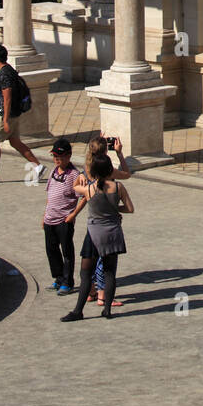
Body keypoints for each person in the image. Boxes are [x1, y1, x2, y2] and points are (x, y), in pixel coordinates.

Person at [61, 153, 134, 321]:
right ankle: (107, 309)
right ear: (110, 170)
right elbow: (130, 209)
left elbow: (74, 187)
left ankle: (78, 311)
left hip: (94, 234)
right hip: (113, 233)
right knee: (109, 273)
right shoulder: (118, 187)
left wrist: (82, 177)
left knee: (86, 273)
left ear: (94, 171)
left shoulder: (90, 189)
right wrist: (115, 210)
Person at [75, 135, 133, 308]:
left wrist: (79, 178)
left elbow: (76, 188)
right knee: (106, 266)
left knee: (88, 265)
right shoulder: (112, 178)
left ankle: (89, 296)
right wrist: (120, 154)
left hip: (93, 224)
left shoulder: (88, 169)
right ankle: (103, 297)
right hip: (110, 226)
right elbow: (127, 174)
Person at [0, 44, 44, 185]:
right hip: (13, 112)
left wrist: (5, 119)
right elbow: (3, 97)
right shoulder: (9, 71)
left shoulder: (5, 74)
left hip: (7, 114)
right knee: (15, 142)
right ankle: (38, 166)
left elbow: (7, 98)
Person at [41, 139, 81, 295]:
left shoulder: (74, 175)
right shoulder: (53, 171)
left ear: (69, 156)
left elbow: (83, 197)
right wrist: (44, 214)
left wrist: (73, 214)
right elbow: (50, 194)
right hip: (50, 218)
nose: (57, 159)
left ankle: (68, 282)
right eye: (55, 156)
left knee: (67, 251)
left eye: (61, 156)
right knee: (51, 250)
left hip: (64, 220)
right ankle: (58, 278)